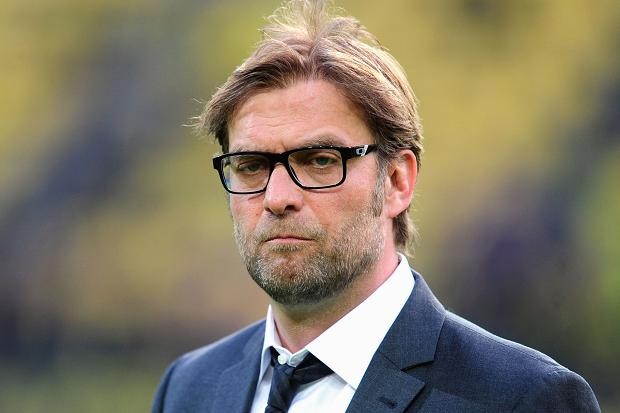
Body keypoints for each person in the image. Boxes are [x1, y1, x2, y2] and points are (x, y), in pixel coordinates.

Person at [152, 1, 600, 411]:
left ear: (397, 181)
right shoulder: (188, 389)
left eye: (320, 161)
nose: (277, 197)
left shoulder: (522, 398)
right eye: (251, 166)